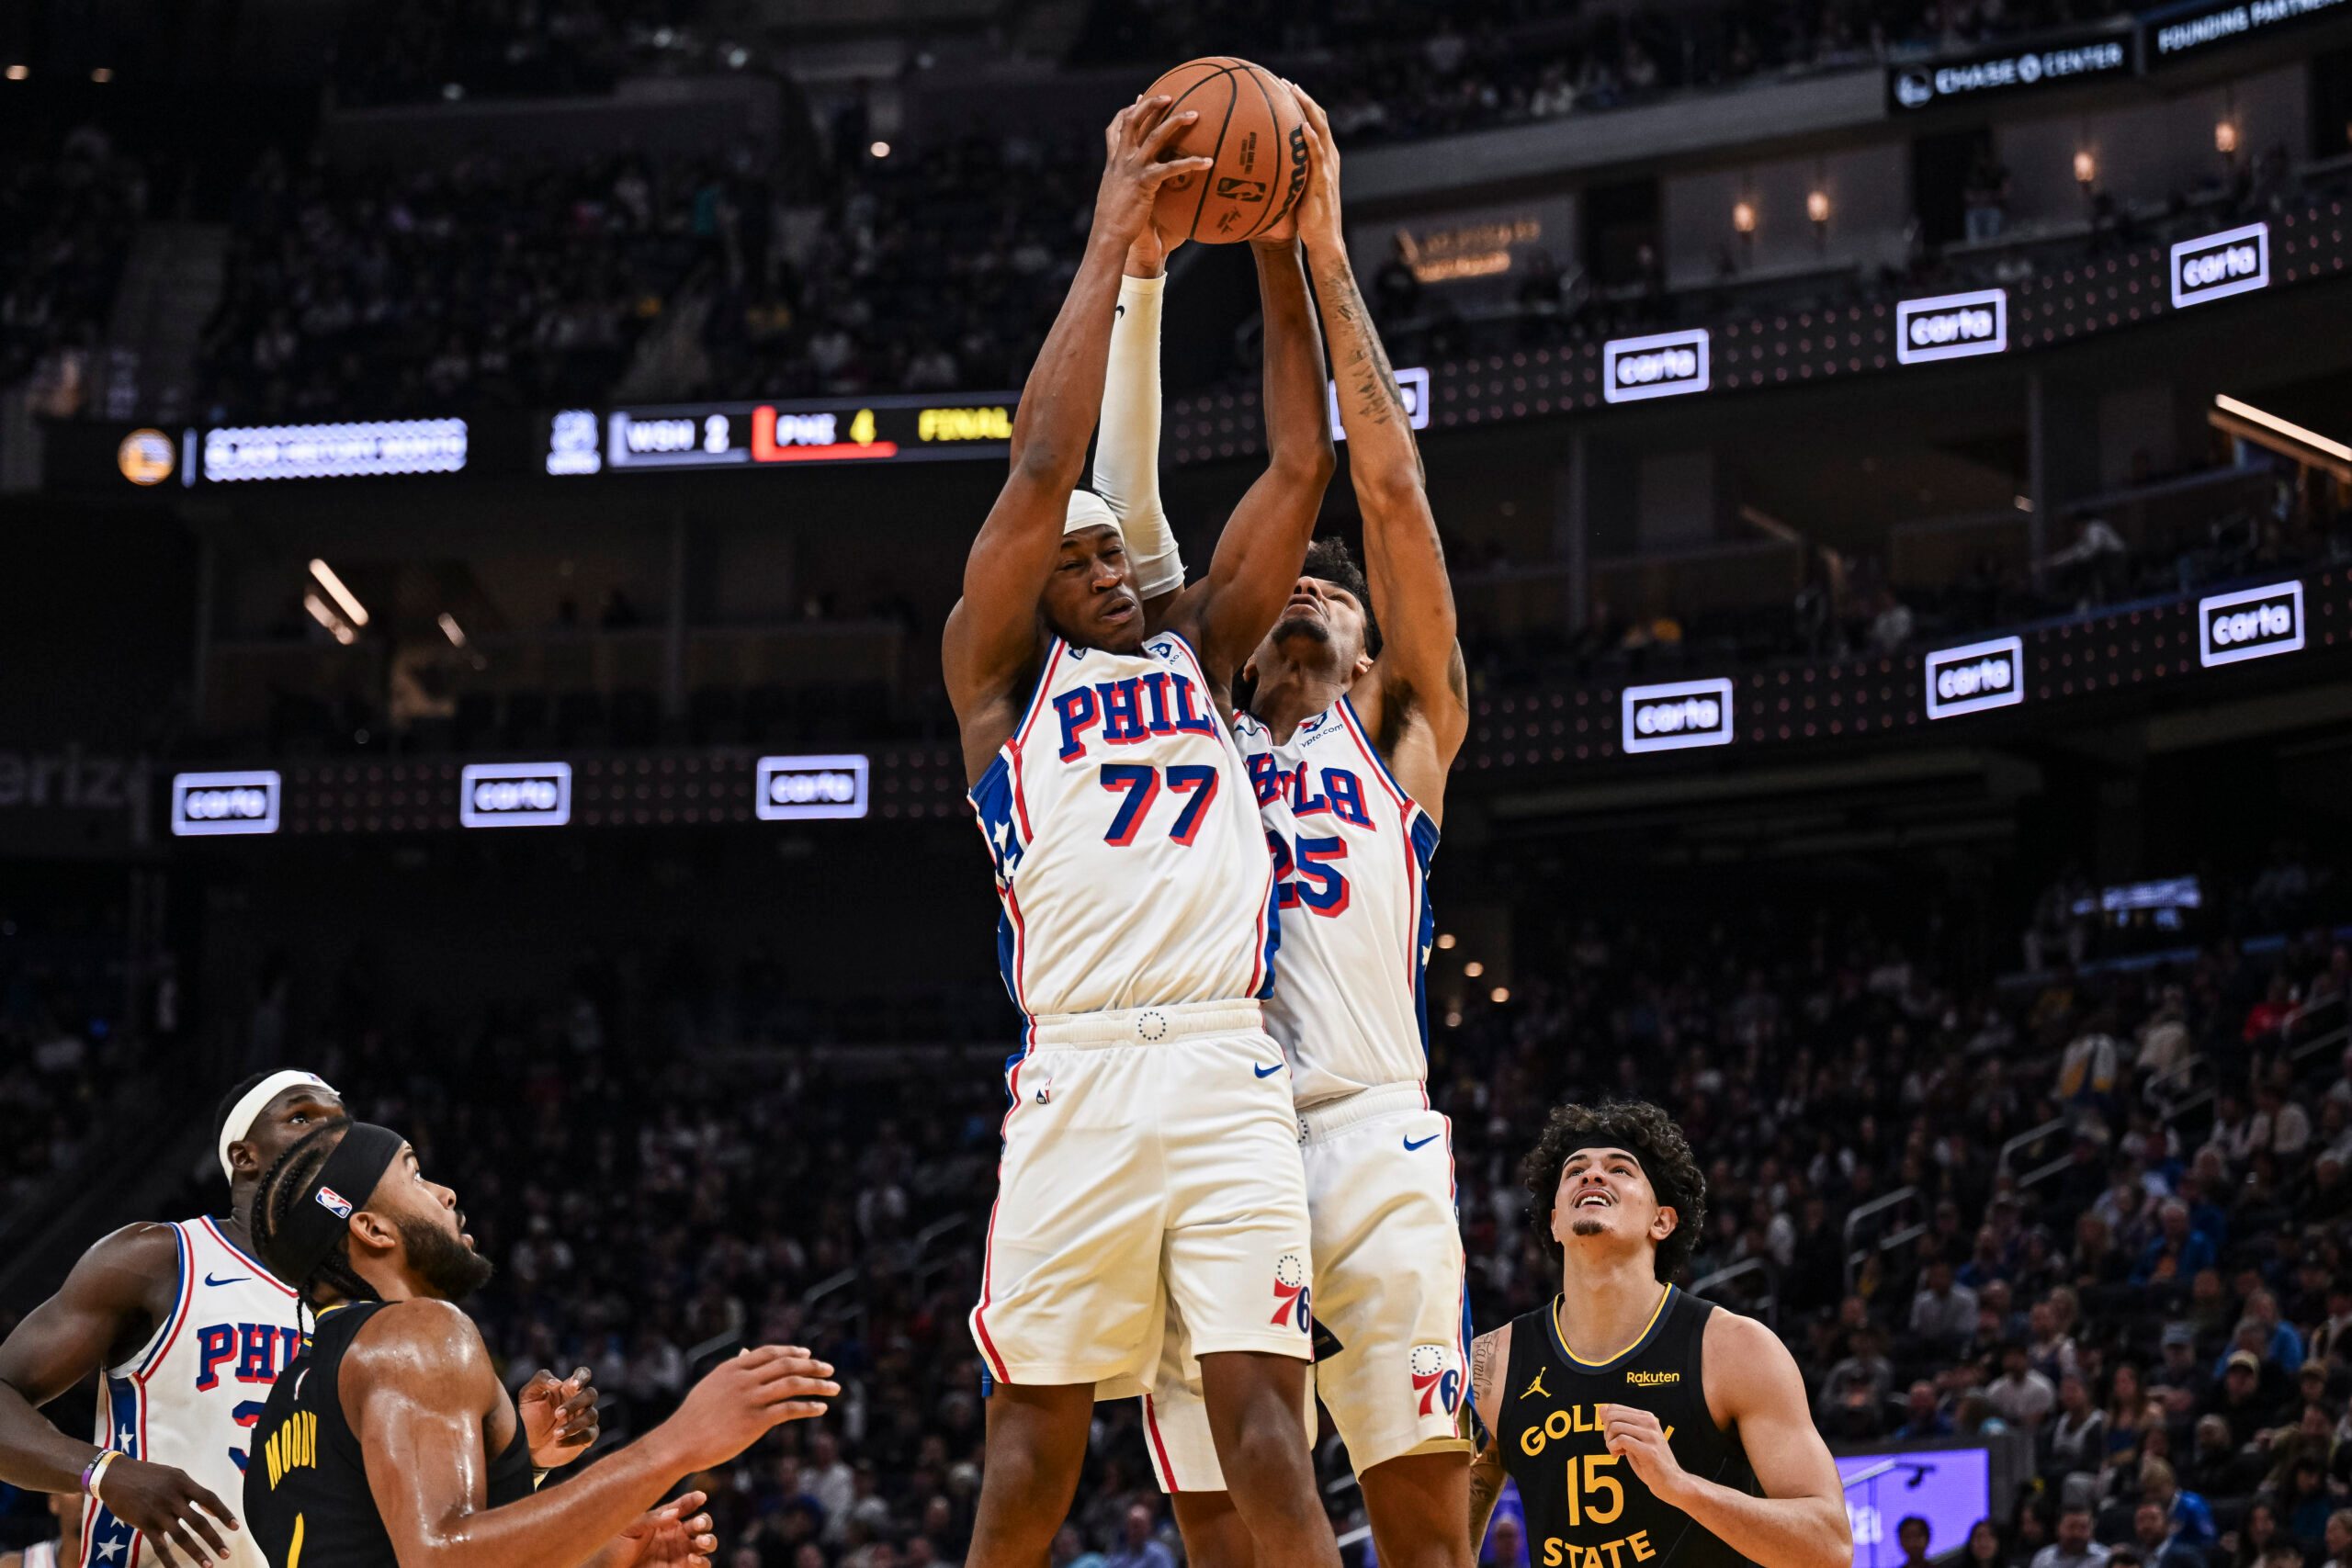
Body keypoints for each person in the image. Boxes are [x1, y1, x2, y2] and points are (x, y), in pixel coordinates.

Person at [941, 94, 1339, 1568]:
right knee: (1029, 1455)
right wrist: (1115, 234)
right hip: (1081, 1063)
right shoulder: (997, 685)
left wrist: (1293, 243)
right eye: (1079, 558)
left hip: (1228, 1061)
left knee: (1264, 1439)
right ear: (1028, 584)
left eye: (1120, 550)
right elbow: (1040, 466)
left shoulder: (1203, 649)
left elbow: (1301, 465)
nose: (1108, 570)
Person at [1103, 85, 1476, 1568]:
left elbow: (1383, 480)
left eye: (1342, 595)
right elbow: (1138, 509)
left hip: (1367, 1129)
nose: (1313, 591)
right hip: (1201, 1134)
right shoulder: (1175, 720)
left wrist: (1311, 240)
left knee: (1423, 1537)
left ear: (1379, 657)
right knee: (1226, 1543)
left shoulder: (1397, 734)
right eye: (1288, 592)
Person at [242, 1117, 836, 1568]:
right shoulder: (420, 1330)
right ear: (371, 1228)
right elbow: (440, 1557)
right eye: (415, 1172)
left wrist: (595, 1551)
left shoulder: (275, 1423)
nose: (446, 1192)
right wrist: (676, 1445)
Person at [1466, 1102, 1851, 1568]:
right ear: (1554, 1222)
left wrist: (1682, 1487)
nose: (1592, 1176)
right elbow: (1443, 1544)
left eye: (1619, 1168)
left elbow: (1829, 1547)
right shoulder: (1491, 1363)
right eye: (1576, 1170)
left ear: (1662, 1220)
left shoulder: (1735, 1350)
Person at [0, 1071, 346, 1568]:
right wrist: (106, 1472)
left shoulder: (364, 1300)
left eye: (342, 1125)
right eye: (301, 1117)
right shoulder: (159, 1259)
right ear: (244, 1156)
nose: (333, 1136)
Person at [0, 1492, 83, 1568]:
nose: (85, 1496)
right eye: (74, 1489)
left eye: (94, 1486)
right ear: (53, 1501)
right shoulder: (13, 1565)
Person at [2031, 1506, 2109, 1568]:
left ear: (2092, 1529)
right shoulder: (2043, 1559)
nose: (2077, 1533)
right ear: (2058, 1528)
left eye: (2083, 1527)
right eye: (2071, 1527)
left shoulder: (2105, 1559)